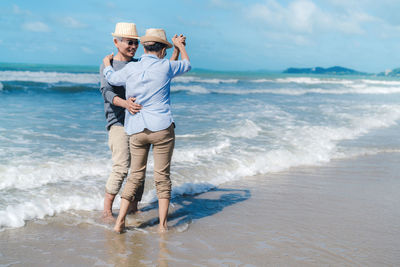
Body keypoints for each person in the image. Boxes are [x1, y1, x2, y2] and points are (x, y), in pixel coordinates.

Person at [102, 28, 191, 233]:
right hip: (161, 128)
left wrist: (107, 64)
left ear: (143, 46)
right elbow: (186, 65)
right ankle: (162, 225)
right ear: (162, 49)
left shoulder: (132, 68)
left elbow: (112, 79)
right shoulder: (166, 66)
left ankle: (119, 222)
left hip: (136, 128)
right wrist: (181, 47)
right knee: (162, 176)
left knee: (135, 175)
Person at [99, 22, 144, 222]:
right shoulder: (107, 65)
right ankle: (107, 209)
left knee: (139, 167)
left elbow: (161, 70)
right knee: (121, 166)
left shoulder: (138, 64)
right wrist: (125, 104)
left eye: (136, 43)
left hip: (138, 122)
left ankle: (134, 206)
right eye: (129, 42)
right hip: (117, 122)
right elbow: (107, 93)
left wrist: (177, 51)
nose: (133, 46)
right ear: (116, 42)